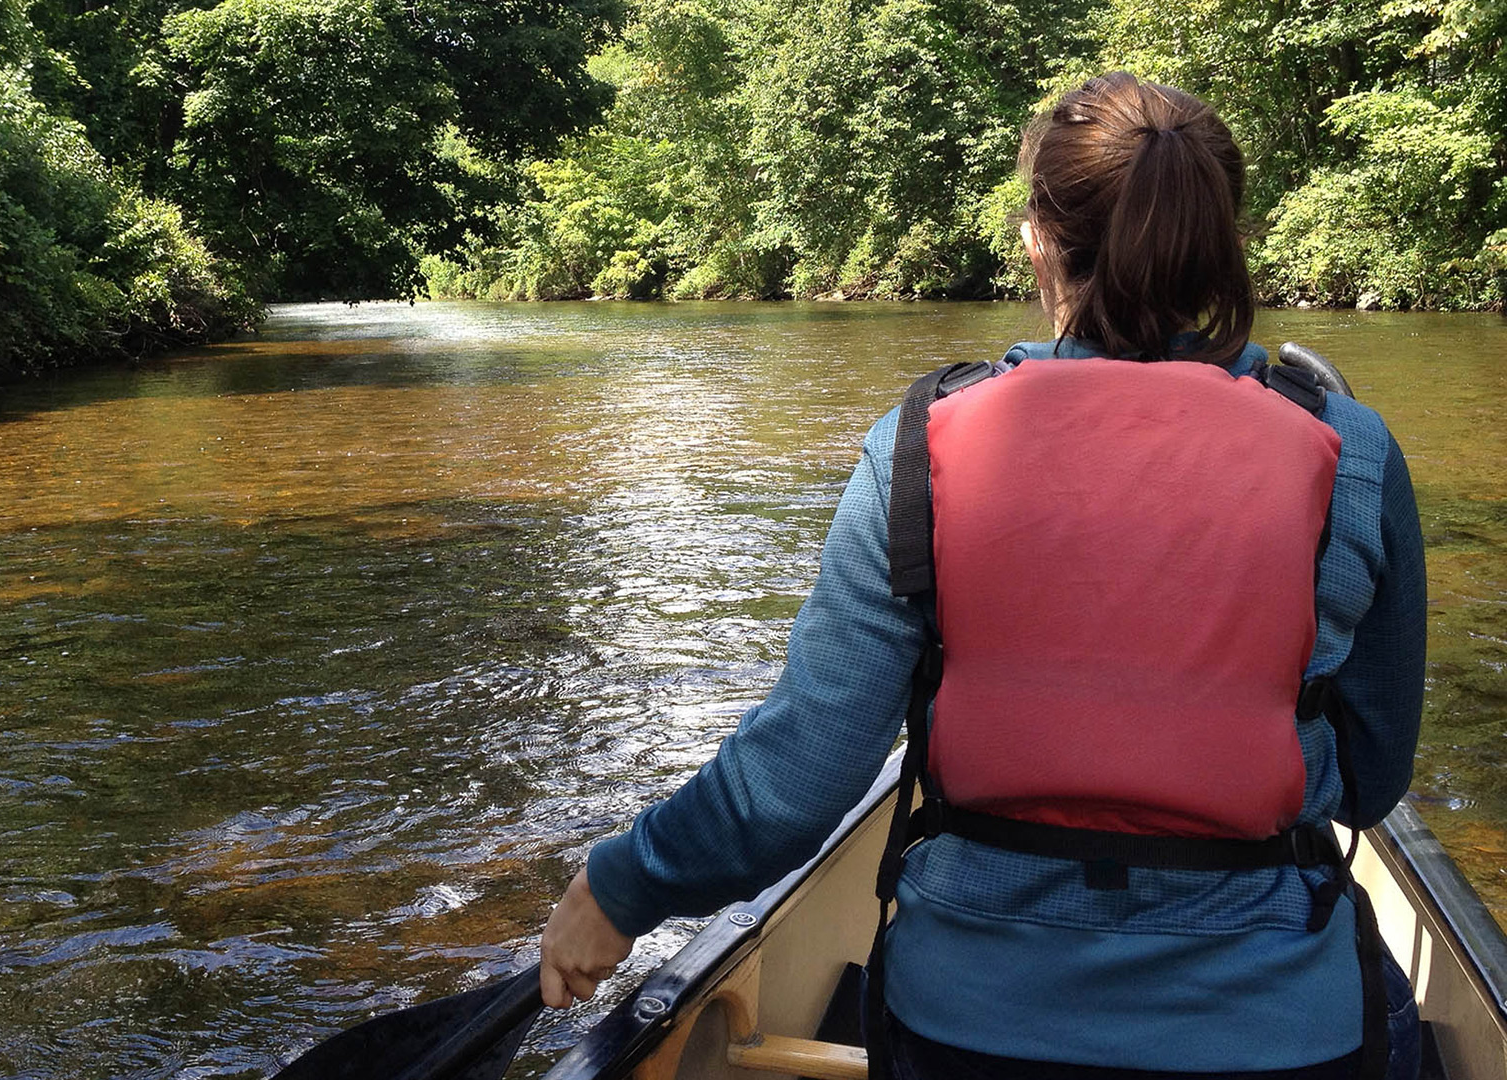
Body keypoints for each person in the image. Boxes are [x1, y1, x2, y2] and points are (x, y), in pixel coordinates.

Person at [537, 72, 1429, 1079]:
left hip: (967, 1031)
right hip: (1275, 1036)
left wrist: (621, 888)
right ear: (1222, 236)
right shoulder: (1349, 451)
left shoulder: (920, 447)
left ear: (1038, 240)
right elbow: (1370, 783)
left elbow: (798, 781)